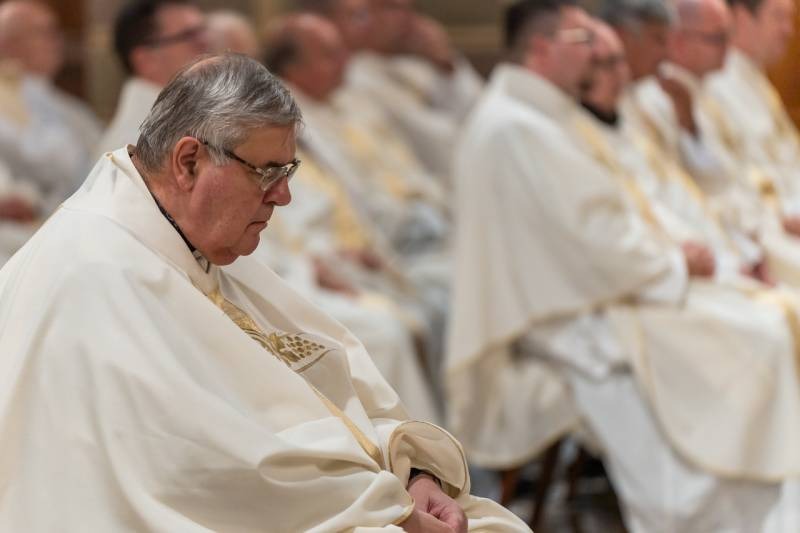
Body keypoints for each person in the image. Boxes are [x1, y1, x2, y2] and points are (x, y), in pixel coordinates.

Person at [0, 52, 529, 533]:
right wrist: (389, 508)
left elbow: (321, 382)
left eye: (289, 170)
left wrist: (413, 474)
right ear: (189, 162)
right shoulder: (96, 273)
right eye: (268, 172)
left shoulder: (187, 236)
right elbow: (196, 473)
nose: (284, 195)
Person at [448, 1, 800, 530]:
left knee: (760, 323)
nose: (596, 55)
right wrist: (676, 264)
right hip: (567, 315)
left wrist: (687, 259)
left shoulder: (546, 116)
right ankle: (717, 509)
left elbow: (619, 214)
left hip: (601, 290)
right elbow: (590, 242)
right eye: (583, 40)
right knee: (756, 334)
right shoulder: (516, 127)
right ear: (542, 48)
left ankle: (759, 497)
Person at [265, 13, 452, 384]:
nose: (345, 61)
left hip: (373, 251)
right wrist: (333, 260)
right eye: (328, 54)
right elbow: (290, 221)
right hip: (320, 270)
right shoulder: (281, 124)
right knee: (400, 326)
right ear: (293, 69)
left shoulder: (342, 104)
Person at [0, 0, 102, 214]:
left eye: (56, 32)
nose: (57, 41)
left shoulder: (73, 107)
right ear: (7, 43)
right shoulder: (6, 100)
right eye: (44, 32)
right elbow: (54, 163)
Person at [96, 0, 208, 155]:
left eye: (203, 31)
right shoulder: (139, 146)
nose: (205, 42)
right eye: (189, 35)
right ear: (146, 60)